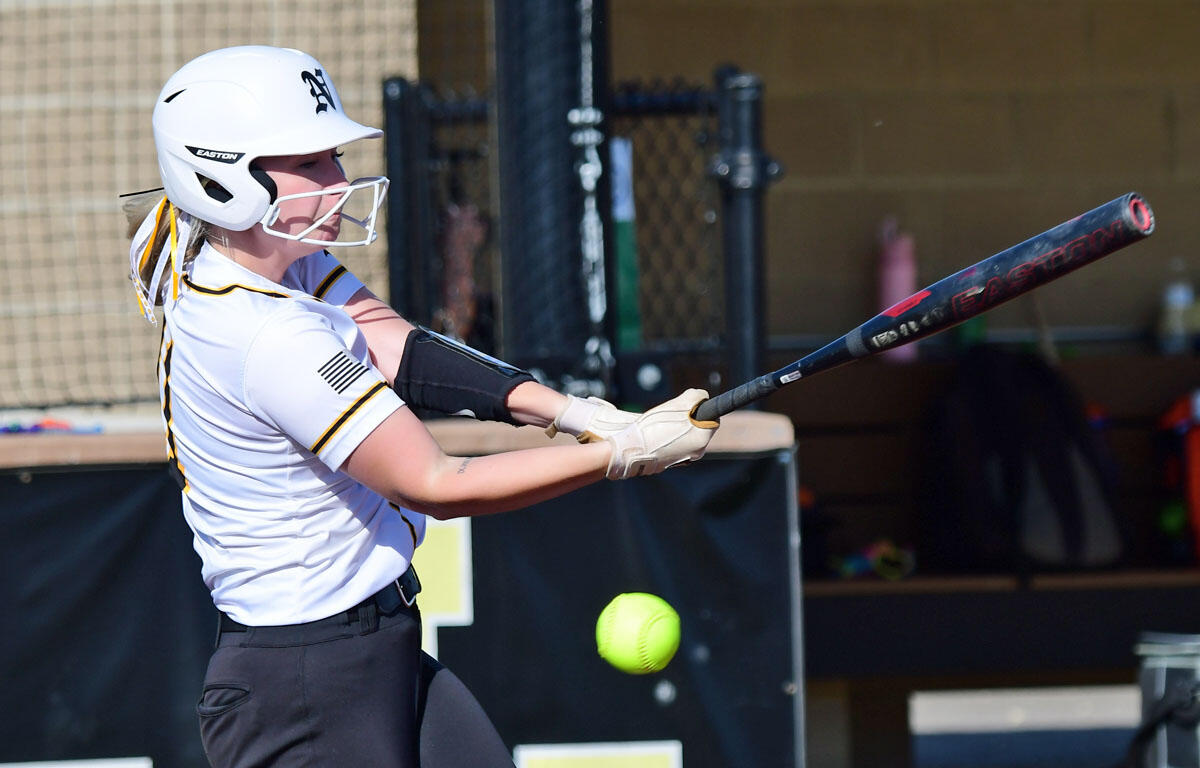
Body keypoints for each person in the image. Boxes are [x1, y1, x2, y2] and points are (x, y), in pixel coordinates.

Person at [124, 45, 718, 768]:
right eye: (308, 165)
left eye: (332, 159)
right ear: (220, 178)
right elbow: (437, 485)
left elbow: (397, 346)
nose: (337, 184)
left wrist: (577, 412)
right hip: (307, 684)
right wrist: (617, 456)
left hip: (376, 649)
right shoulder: (265, 334)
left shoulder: (273, 263)